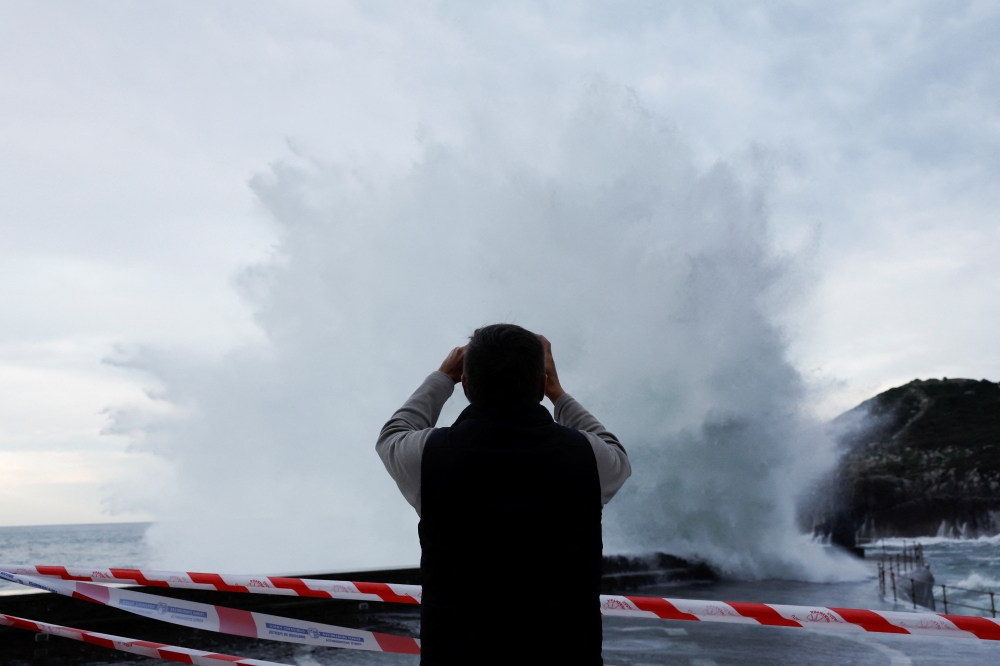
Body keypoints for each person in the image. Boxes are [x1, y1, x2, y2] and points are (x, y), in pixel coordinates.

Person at [376, 324, 631, 665]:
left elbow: (393, 434)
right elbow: (616, 453)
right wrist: (559, 394)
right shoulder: (587, 457)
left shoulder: (429, 457)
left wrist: (441, 377)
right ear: (540, 385)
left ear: (465, 384)